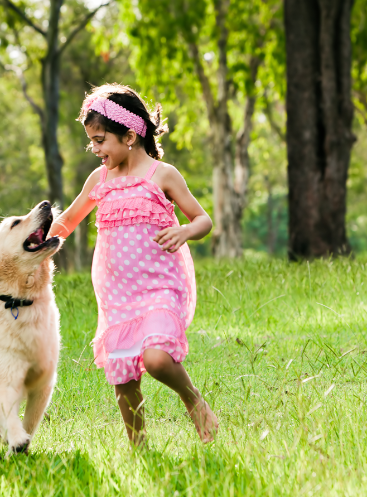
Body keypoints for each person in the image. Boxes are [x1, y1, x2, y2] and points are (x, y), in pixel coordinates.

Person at [48, 84, 219, 445]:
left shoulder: (163, 175)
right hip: (117, 295)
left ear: (129, 135)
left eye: (99, 140)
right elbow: (68, 221)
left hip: (159, 287)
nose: (94, 149)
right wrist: (32, 243)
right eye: (91, 141)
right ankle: (139, 451)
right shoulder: (100, 180)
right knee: (124, 380)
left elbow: (203, 219)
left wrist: (185, 231)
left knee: (157, 359)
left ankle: (194, 402)